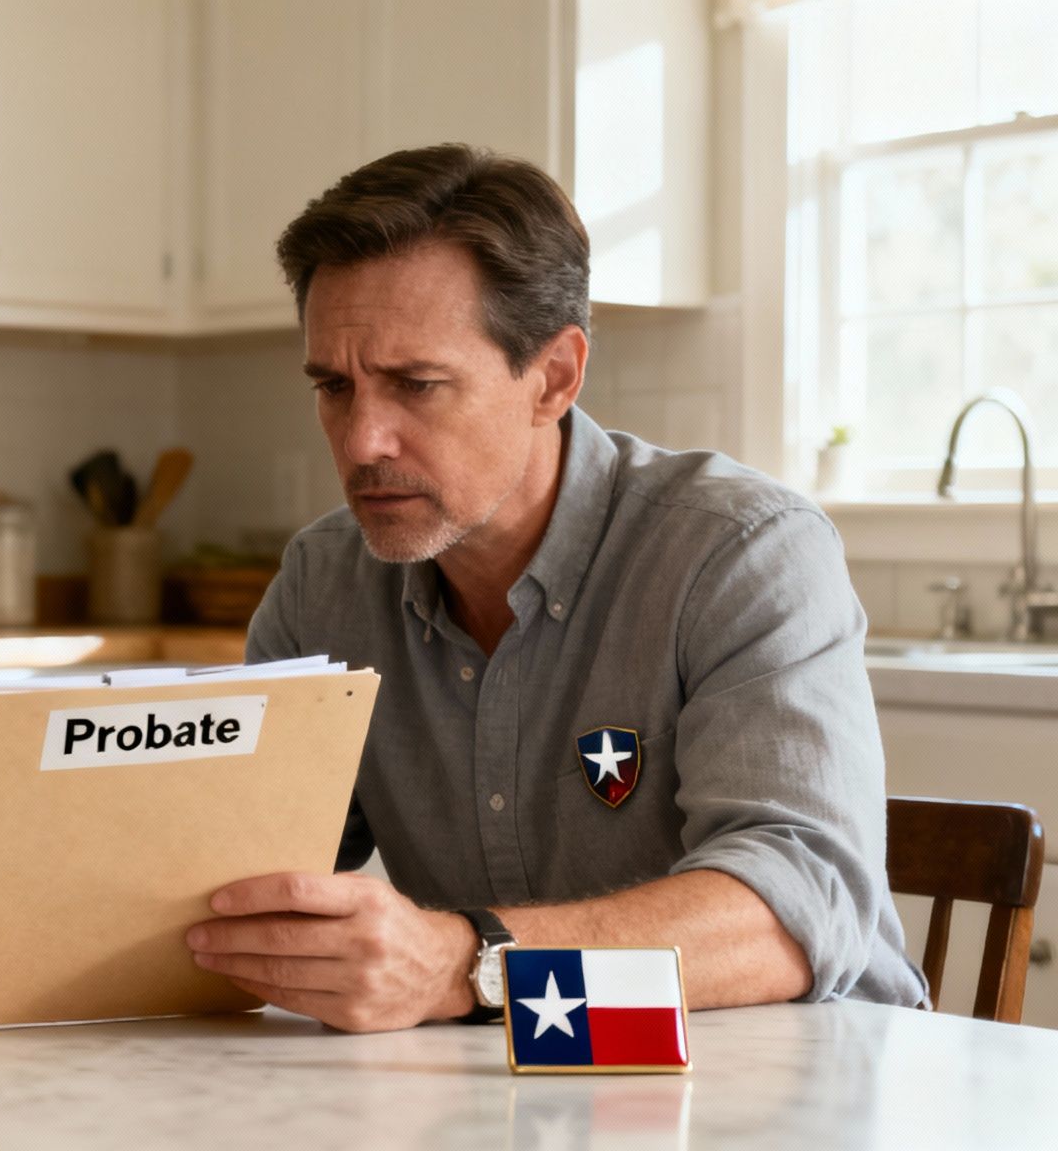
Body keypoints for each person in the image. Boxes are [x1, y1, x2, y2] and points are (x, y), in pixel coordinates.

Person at [185, 144, 925, 1033]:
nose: (362, 441)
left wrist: (469, 963)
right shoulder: (323, 582)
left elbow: (800, 907)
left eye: (416, 385)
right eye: (335, 388)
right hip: (514, 1081)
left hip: (799, 1076)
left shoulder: (741, 552)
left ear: (555, 377)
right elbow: (227, 873)